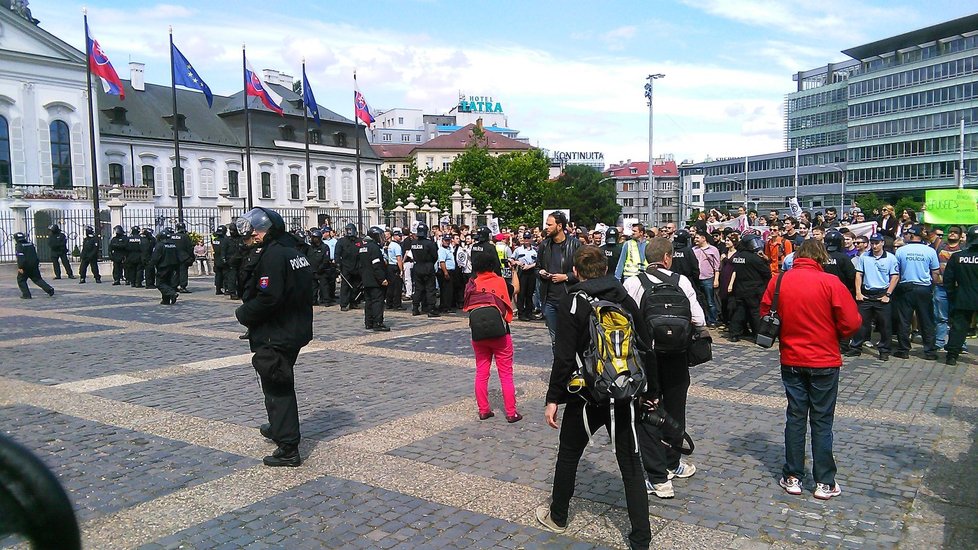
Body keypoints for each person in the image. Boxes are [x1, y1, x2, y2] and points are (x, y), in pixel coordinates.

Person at [537, 245, 653, 550]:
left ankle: (559, 516)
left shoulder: (573, 301)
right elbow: (645, 344)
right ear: (605, 269)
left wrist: (553, 398)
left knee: (569, 454)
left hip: (586, 396)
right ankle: (641, 538)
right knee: (631, 465)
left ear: (576, 272)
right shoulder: (624, 297)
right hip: (624, 395)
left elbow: (563, 356)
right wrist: (650, 392)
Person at [761, 240, 861, 500]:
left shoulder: (779, 282)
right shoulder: (830, 283)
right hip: (824, 359)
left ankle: (793, 475)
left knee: (795, 417)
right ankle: (824, 482)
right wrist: (837, 334)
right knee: (822, 420)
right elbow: (852, 321)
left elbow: (764, 313)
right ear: (821, 258)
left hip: (792, 357)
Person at [624, 238, 706, 500]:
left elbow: (626, 319)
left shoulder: (634, 282)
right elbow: (699, 319)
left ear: (647, 259)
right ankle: (673, 462)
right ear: (668, 257)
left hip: (647, 357)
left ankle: (658, 473)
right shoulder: (681, 282)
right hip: (678, 356)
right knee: (675, 409)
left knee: (649, 410)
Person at [233, 207, 314, 467]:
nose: (249, 239)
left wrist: (243, 313)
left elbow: (269, 297)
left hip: (276, 331)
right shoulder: (293, 251)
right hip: (294, 327)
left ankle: (288, 446)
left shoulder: (273, 256)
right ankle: (278, 427)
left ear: (262, 234)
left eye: (252, 234)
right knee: (276, 378)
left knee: (277, 386)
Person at [463, 251, 521, 422]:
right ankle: (511, 413)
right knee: (505, 373)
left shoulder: (472, 284)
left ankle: (483, 410)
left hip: (478, 334)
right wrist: (515, 271)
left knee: (482, 371)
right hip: (501, 334)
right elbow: (516, 289)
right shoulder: (500, 282)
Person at [846, 233, 900, 361]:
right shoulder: (864, 257)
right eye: (873, 243)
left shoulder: (891, 258)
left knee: (885, 324)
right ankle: (856, 347)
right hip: (866, 293)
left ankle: (884, 350)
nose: (874, 246)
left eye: (877, 243)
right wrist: (858, 292)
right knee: (860, 323)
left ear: (882, 243)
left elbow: (895, 276)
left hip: (882, 293)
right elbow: (859, 275)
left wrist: (888, 294)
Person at [893, 225, 940, 360]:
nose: (906, 236)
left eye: (907, 234)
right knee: (926, 320)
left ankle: (903, 350)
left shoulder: (901, 251)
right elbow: (935, 272)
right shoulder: (930, 251)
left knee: (904, 321)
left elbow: (897, 271)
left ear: (912, 235)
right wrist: (932, 285)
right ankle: (930, 351)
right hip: (924, 287)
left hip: (906, 287)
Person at [537, 211, 581, 345]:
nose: (546, 227)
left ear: (559, 226)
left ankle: (572, 365)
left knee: (570, 338)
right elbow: (537, 267)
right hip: (549, 300)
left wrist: (566, 277)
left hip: (568, 298)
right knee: (555, 340)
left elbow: (583, 272)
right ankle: (559, 365)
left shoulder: (575, 245)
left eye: (549, 225)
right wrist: (541, 272)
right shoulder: (544, 245)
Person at [943, 225, 978, 366]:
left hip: (963, 297)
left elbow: (948, 279)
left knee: (958, 328)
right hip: (966, 295)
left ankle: (952, 356)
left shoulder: (958, 257)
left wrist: (953, 295)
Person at [727, 234, 772, 342]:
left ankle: (734, 334)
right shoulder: (754, 258)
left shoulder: (737, 256)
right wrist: (765, 261)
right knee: (755, 312)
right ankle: (757, 335)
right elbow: (767, 273)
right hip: (754, 289)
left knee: (739, 311)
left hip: (739, 288)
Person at [934, 226, 964, 351]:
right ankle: (939, 342)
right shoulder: (941, 247)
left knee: (959, 318)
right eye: (950, 232)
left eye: (955, 232)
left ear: (960, 236)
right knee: (941, 317)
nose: (952, 234)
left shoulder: (964, 250)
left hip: (958, 288)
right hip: (941, 287)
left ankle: (960, 344)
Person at [359, 226, 390, 331]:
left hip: (366, 279)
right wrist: (382, 279)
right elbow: (376, 265)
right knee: (377, 301)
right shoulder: (374, 248)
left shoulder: (363, 247)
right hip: (375, 280)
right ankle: (377, 323)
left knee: (368, 302)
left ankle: (369, 322)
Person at [409, 223, 439, 317]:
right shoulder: (429, 243)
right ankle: (431, 309)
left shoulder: (413, 243)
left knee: (418, 289)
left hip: (417, 266)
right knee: (430, 289)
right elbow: (435, 256)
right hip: (428, 266)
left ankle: (415, 308)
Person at [14, 232, 55, 299]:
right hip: (34, 265)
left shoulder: (19, 246)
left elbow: (21, 257)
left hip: (25, 266)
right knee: (37, 279)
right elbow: (34, 255)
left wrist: (20, 267)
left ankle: (26, 295)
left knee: (21, 280)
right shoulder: (30, 244)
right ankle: (49, 289)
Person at [692, 231, 720, 326]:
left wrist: (716, 279)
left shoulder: (713, 249)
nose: (695, 239)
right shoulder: (693, 249)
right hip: (697, 278)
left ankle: (712, 320)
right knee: (699, 300)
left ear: (703, 238)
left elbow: (717, 266)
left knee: (710, 301)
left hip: (708, 278)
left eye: (697, 238)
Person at [335, 223, 362, 311]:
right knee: (345, 286)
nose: (349, 232)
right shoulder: (341, 241)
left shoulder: (359, 241)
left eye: (350, 230)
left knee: (356, 286)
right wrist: (338, 264)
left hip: (357, 266)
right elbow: (337, 254)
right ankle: (344, 304)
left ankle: (354, 302)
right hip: (345, 267)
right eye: (347, 230)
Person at [512, 232, 538, 321]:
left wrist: (530, 266)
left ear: (531, 239)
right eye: (525, 238)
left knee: (529, 294)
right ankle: (521, 313)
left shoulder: (535, 250)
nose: (526, 240)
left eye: (528, 238)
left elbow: (538, 262)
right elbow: (511, 259)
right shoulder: (518, 250)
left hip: (531, 272)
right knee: (521, 294)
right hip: (522, 272)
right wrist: (517, 262)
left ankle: (529, 312)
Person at [152, 228, 180, 305]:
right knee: (167, 283)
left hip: (163, 267)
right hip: (172, 266)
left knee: (160, 284)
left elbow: (155, 257)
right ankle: (165, 300)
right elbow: (177, 255)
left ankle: (172, 293)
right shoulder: (174, 244)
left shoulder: (160, 245)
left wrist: (152, 264)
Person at [306, 229, 332, 306]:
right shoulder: (310, 248)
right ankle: (314, 300)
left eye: (315, 237)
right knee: (313, 287)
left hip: (322, 271)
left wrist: (321, 268)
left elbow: (326, 259)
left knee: (324, 286)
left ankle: (326, 300)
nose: (314, 239)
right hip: (312, 270)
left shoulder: (324, 247)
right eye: (313, 237)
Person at [385, 229, 404, 310]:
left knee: (390, 286)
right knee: (397, 287)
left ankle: (389, 303)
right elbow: (399, 259)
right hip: (395, 267)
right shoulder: (396, 246)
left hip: (389, 267)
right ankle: (397, 305)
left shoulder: (388, 245)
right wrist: (401, 270)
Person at [437, 234, 457, 313]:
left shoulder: (449, 249)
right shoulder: (442, 250)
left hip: (450, 271)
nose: (447, 242)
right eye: (446, 240)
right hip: (445, 271)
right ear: (442, 241)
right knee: (446, 291)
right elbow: (442, 262)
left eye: (449, 240)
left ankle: (446, 306)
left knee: (448, 290)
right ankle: (445, 307)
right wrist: (445, 272)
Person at [172, 222, 194, 293]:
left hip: (174, 257)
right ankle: (183, 286)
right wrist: (191, 257)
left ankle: (174, 285)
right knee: (183, 272)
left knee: (176, 272)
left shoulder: (172, 236)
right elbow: (189, 248)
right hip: (183, 257)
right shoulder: (185, 236)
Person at [211, 226, 227, 295]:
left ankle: (218, 289)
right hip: (223, 259)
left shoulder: (215, 240)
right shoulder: (225, 240)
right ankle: (226, 288)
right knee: (225, 275)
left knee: (218, 275)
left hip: (216, 259)